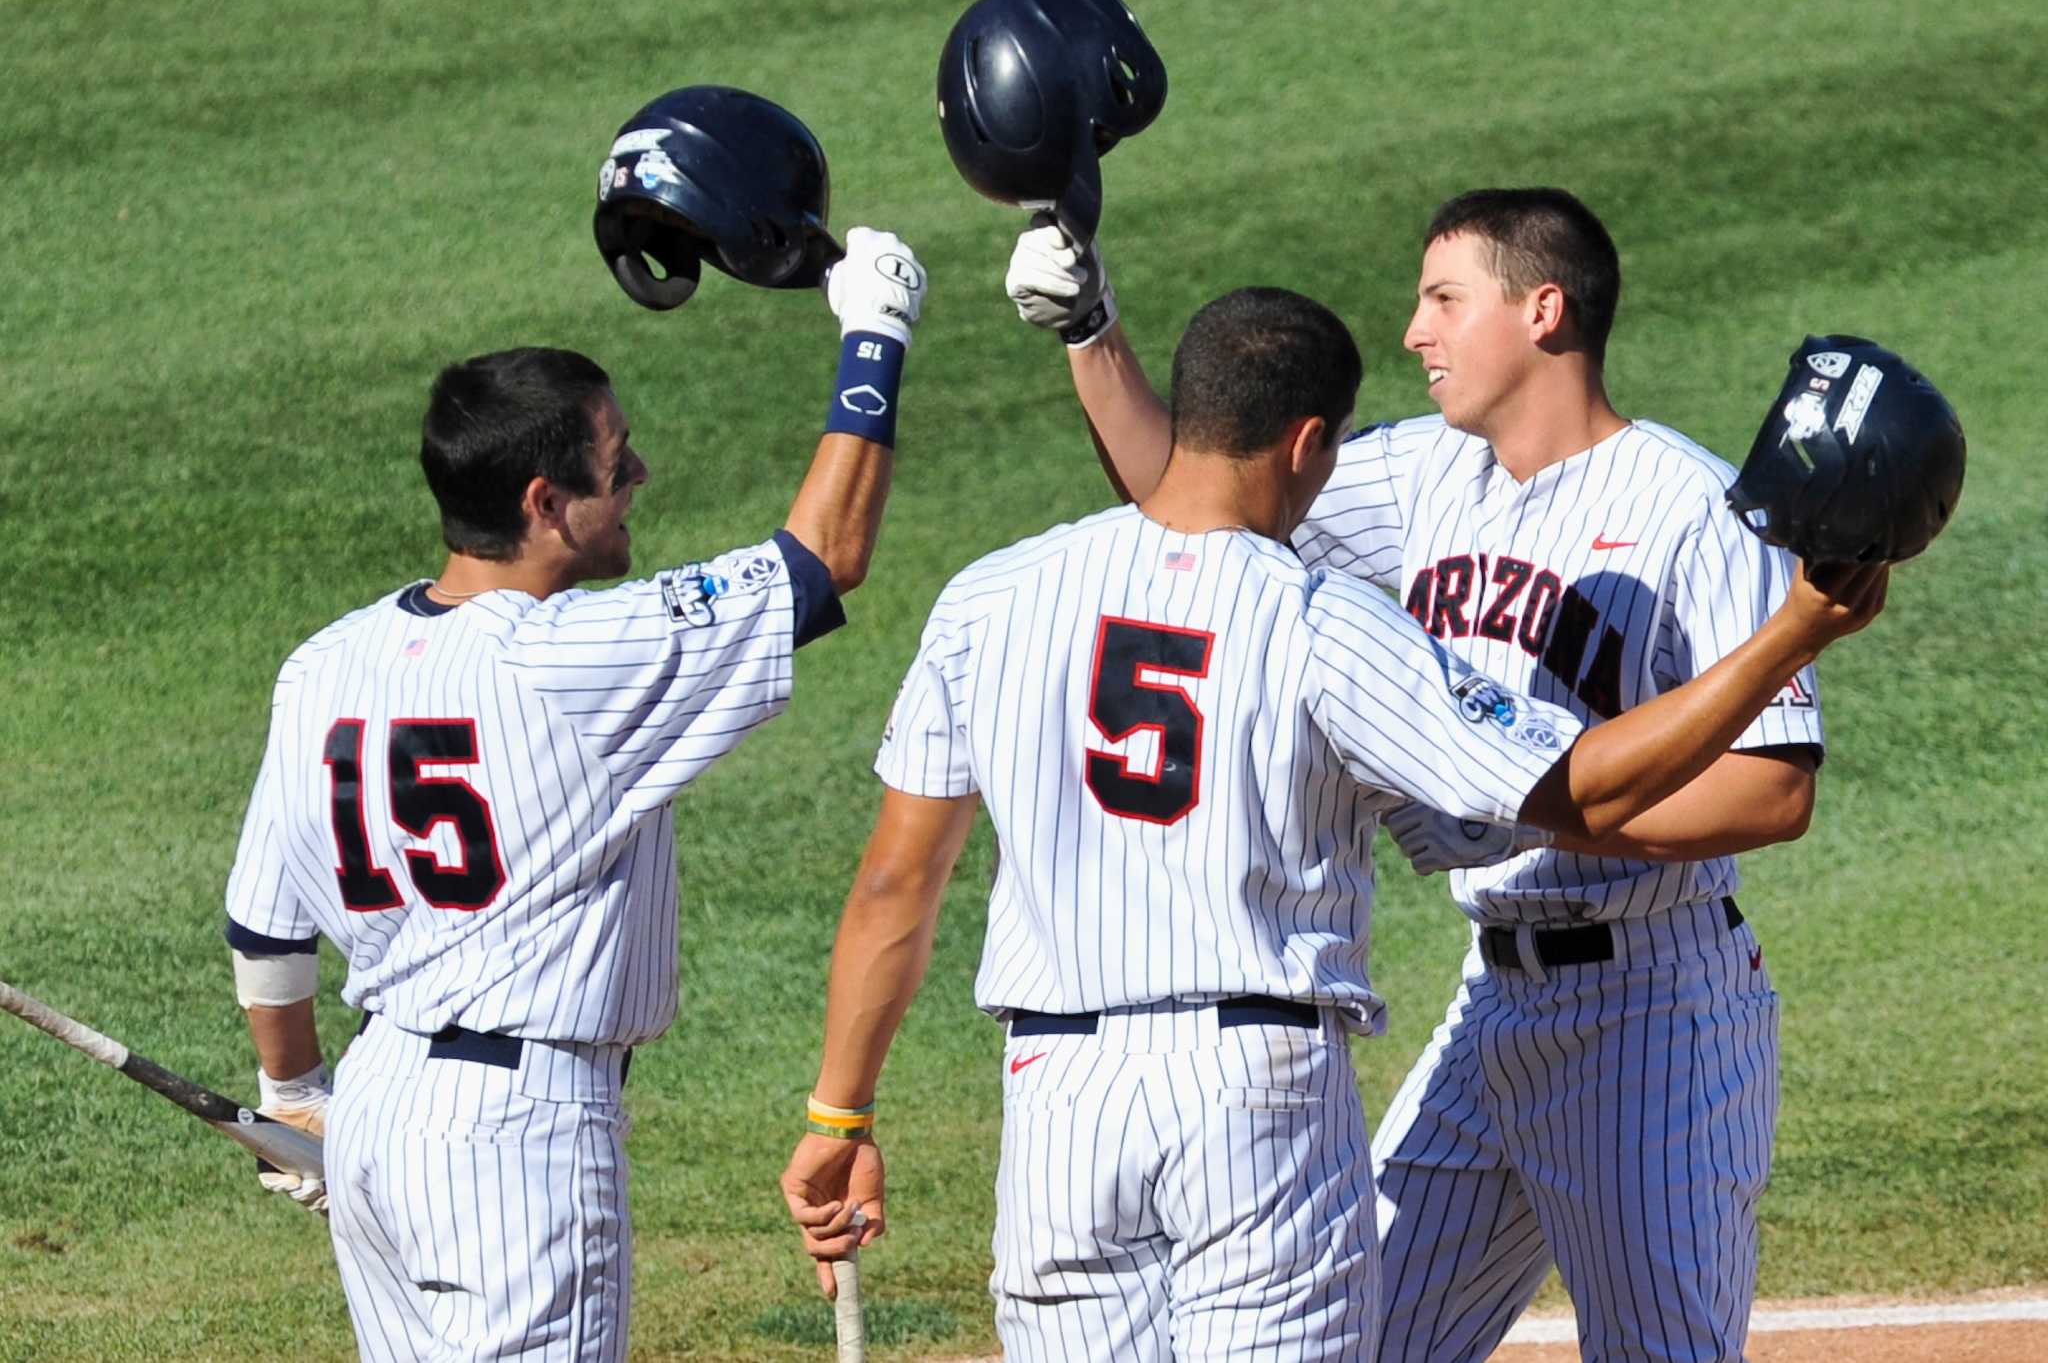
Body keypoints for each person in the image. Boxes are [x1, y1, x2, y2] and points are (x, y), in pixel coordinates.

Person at [777, 286, 1885, 1362]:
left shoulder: (988, 598)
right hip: (1252, 1092)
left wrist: (839, 1121)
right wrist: (1794, 630)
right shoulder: (1322, 621)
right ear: (1309, 443)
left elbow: (891, 889)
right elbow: (1575, 788)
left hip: (1057, 1098)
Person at [1005, 188, 1830, 1360]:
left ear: (1541, 309)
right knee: (1353, 1337)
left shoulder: (1693, 509)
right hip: (1488, 1004)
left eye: (1443, 298)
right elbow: (1197, 491)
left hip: (1651, 1007)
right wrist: (1092, 332)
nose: (1412, 332)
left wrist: (1533, 819)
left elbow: (1773, 788)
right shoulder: (1422, 475)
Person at [220, 226, 925, 1361]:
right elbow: (822, 557)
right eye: (617, 458)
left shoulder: (324, 663)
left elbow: (264, 923)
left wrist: (292, 1088)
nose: (639, 473)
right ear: (545, 502)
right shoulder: (575, 656)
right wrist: (875, 336)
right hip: (515, 1137)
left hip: (377, 1110)